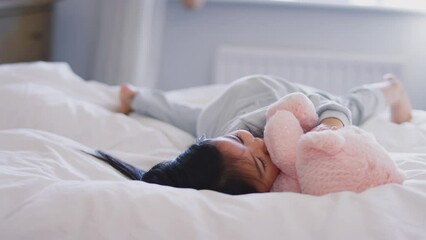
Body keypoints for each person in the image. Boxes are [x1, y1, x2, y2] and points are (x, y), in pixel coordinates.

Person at [112, 74, 412, 195]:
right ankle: (135, 96)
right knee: (188, 116)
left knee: (350, 106)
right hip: (218, 113)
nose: (259, 143)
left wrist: (331, 127)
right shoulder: (220, 157)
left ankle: (392, 90)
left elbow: (324, 106)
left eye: (239, 139)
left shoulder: (263, 126)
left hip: (267, 91)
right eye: (262, 163)